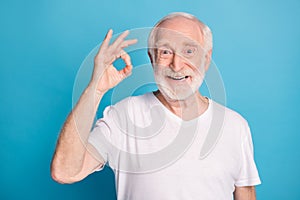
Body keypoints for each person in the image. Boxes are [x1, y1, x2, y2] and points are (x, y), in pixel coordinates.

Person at [51, 12, 261, 200]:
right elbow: (64, 172)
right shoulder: (123, 116)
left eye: (188, 51)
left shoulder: (235, 126)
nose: (177, 65)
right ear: (152, 58)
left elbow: (246, 194)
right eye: (165, 52)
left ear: (206, 58)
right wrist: (95, 90)